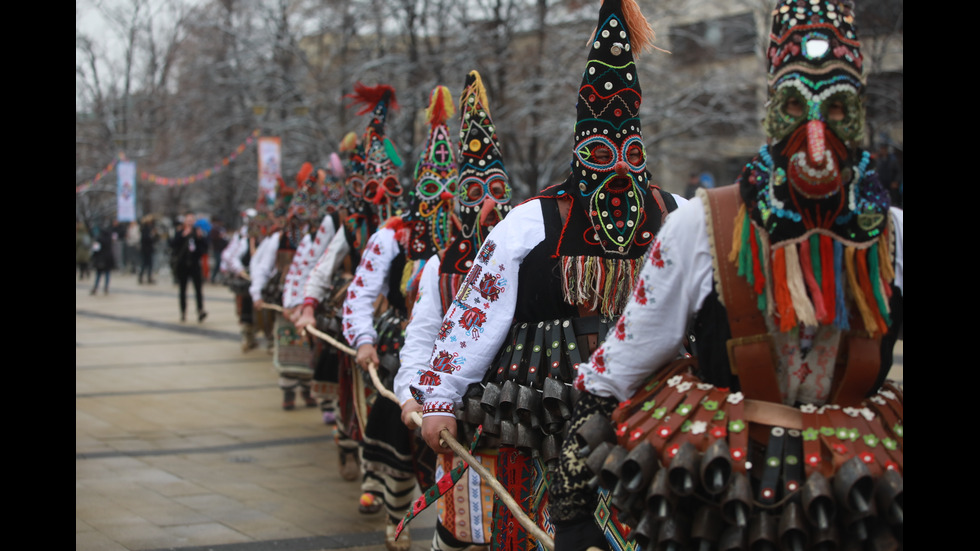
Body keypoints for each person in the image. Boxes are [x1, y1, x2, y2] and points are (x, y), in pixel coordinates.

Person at [549, 1, 904, 550]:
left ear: (857, 112)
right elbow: (621, 364)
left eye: (836, 110)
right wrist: (572, 517)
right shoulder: (700, 226)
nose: (816, 138)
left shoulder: (897, 235)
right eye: (794, 104)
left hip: (861, 492)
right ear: (771, 110)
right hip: (723, 489)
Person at [410, 3, 681, 549]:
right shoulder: (529, 222)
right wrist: (438, 399)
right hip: (543, 414)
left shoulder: (677, 214)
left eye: (630, 150)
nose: (620, 169)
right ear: (581, 144)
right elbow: (474, 316)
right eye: (604, 151)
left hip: (649, 414)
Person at [395, 70, 513, 551]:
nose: (487, 205)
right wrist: (409, 395)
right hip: (459, 419)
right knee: (462, 530)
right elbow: (421, 338)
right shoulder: (438, 267)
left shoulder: (526, 250)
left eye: (496, 192)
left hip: (520, 420)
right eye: (474, 194)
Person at [342, 84, 456, 551]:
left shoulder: (483, 235)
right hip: (399, 344)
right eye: (436, 189)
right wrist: (364, 338)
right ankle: (396, 515)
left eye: (454, 191)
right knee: (393, 419)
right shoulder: (393, 234)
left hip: (460, 347)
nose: (445, 201)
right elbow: (360, 291)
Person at [171, 213, 208, 322]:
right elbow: (173, 245)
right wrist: (183, 235)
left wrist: (200, 238)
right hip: (182, 265)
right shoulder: (180, 232)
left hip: (195, 264)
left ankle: (200, 310)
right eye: (188, 220)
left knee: (198, 289)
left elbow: (204, 248)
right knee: (183, 289)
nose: (190, 222)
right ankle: (183, 312)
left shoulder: (198, 232)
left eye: (192, 220)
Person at [90, 225, 116, 295]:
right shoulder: (109, 239)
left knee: (98, 274)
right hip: (108, 258)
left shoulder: (99, 239)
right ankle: (106, 287)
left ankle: (95, 287)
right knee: (107, 273)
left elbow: (95, 249)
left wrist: (93, 257)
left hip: (100, 258)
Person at [138, 215, 158, 284]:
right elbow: (145, 239)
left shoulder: (151, 228)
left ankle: (149, 277)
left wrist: (154, 235)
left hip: (149, 249)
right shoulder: (145, 229)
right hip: (145, 249)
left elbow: (155, 239)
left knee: (150, 264)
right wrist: (151, 235)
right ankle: (141, 277)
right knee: (144, 264)